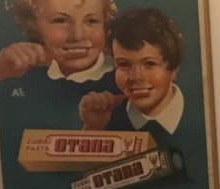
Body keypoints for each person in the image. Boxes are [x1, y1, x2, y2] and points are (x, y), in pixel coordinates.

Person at [0, 0, 133, 130]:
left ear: (105, 22)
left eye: (91, 21)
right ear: (33, 23)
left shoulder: (126, 81)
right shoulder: (20, 76)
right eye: (60, 20)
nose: (77, 36)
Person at [78, 7, 186, 139]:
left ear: (173, 69)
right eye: (124, 64)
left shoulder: (201, 113)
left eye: (149, 64)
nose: (136, 77)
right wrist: (93, 128)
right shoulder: (108, 118)